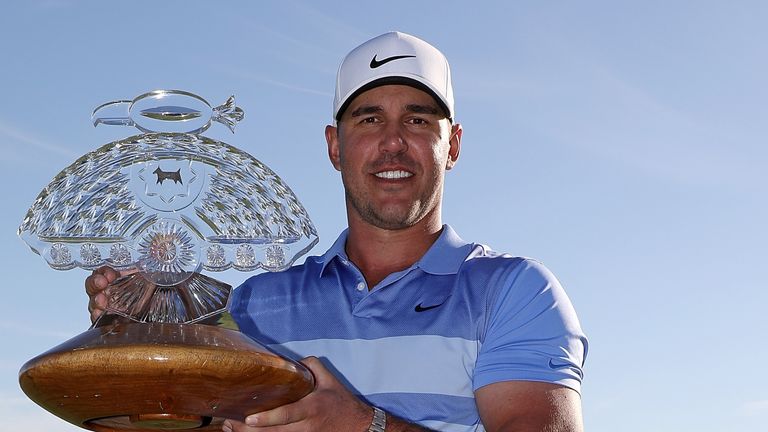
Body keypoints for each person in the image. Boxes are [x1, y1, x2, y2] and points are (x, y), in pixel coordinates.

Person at [86, 31, 588, 432]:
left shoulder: (516, 291)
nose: (393, 142)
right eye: (369, 120)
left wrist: (362, 427)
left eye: (418, 120)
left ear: (452, 146)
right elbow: (174, 417)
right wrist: (142, 328)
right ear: (334, 147)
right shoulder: (252, 308)